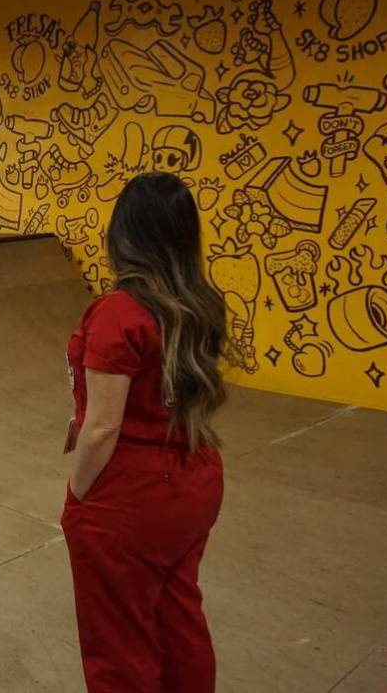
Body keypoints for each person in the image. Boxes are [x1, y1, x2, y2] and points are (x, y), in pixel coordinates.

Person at [61, 171, 227, 693]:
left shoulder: (120, 311)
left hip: (130, 499)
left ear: (124, 234)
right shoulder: (199, 303)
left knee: (118, 642)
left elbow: (103, 429)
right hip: (194, 479)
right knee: (178, 618)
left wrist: (78, 495)